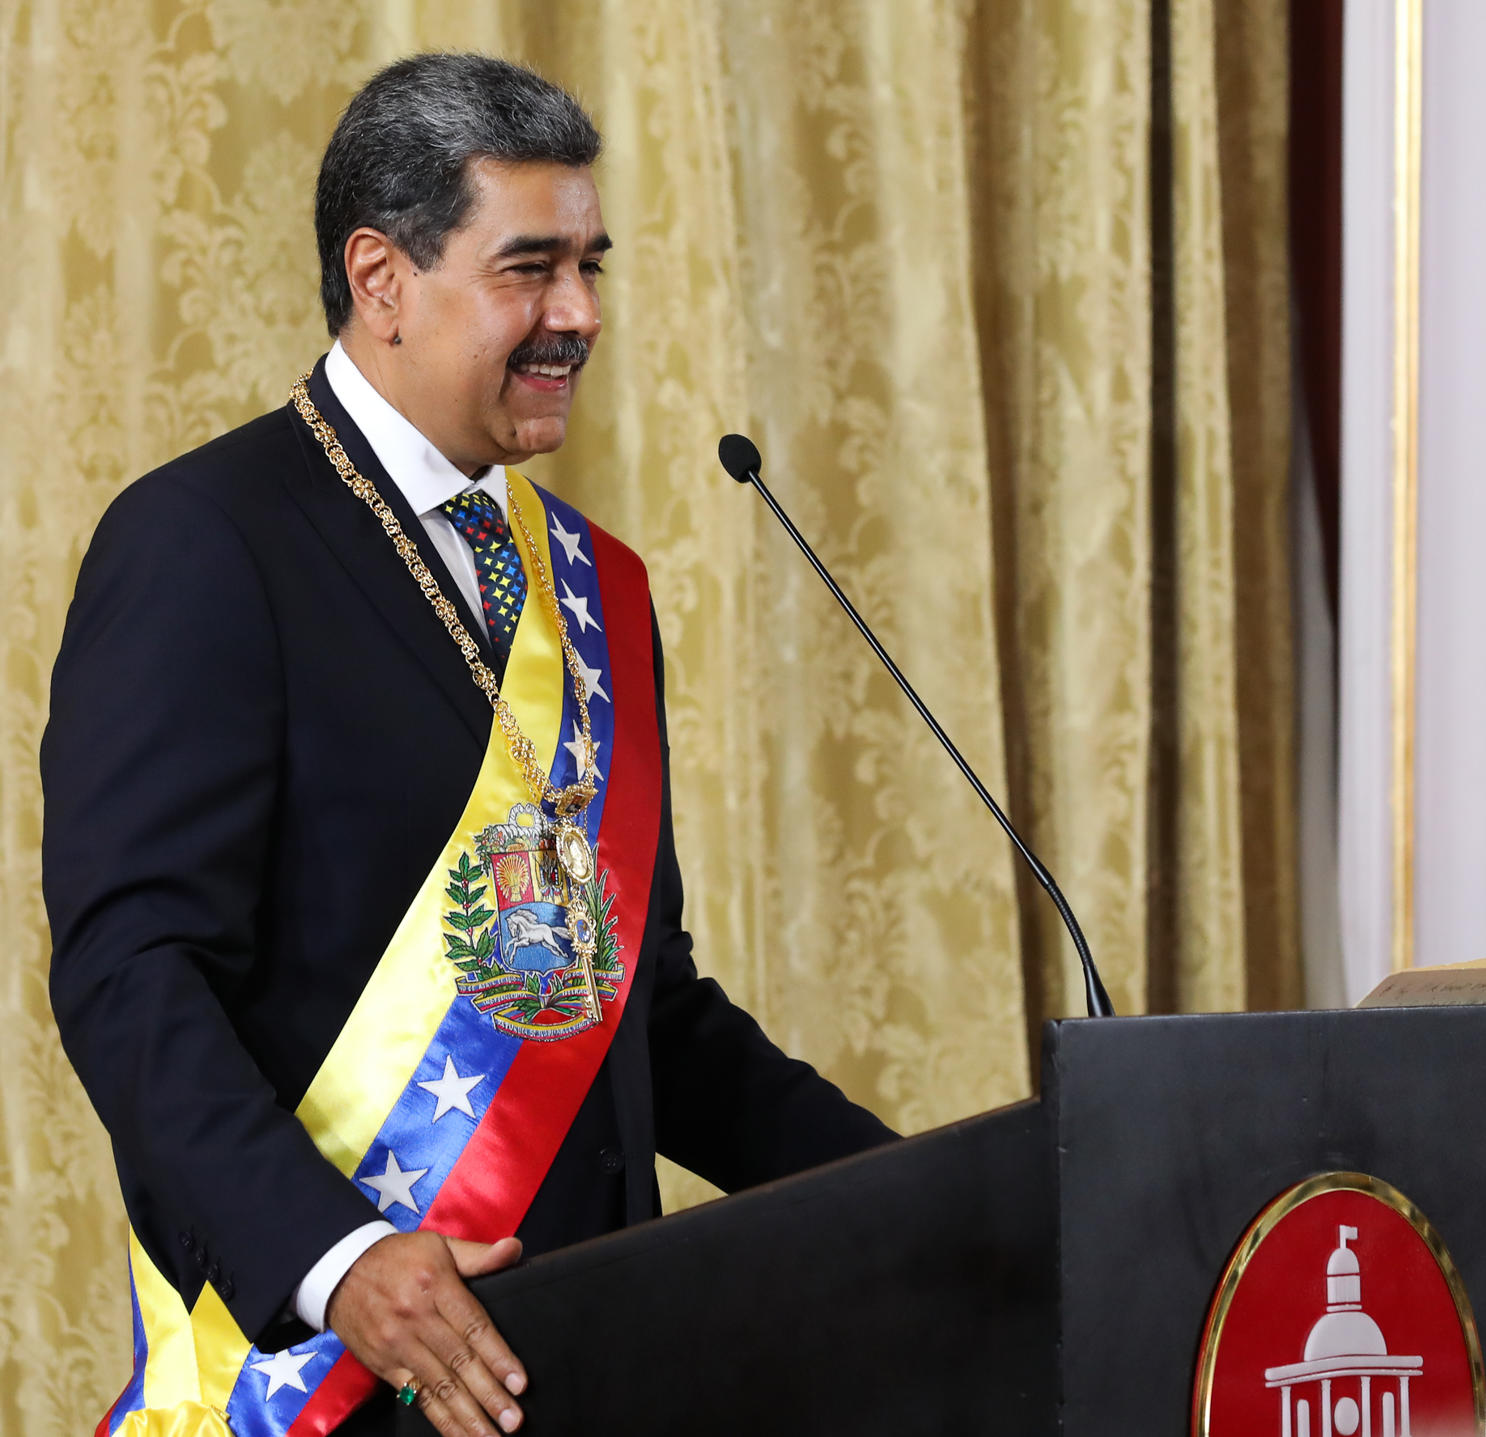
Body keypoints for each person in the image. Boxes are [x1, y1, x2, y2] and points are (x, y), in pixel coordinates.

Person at [42, 53, 893, 1437]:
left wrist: (938, 1188)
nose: (580, 316)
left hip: (597, 1360)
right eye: (531, 269)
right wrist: (343, 1263)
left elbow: (642, 1011)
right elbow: (133, 978)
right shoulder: (208, 541)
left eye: (591, 267)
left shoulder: (597, 584)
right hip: (348, 1380)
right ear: (381, 279)